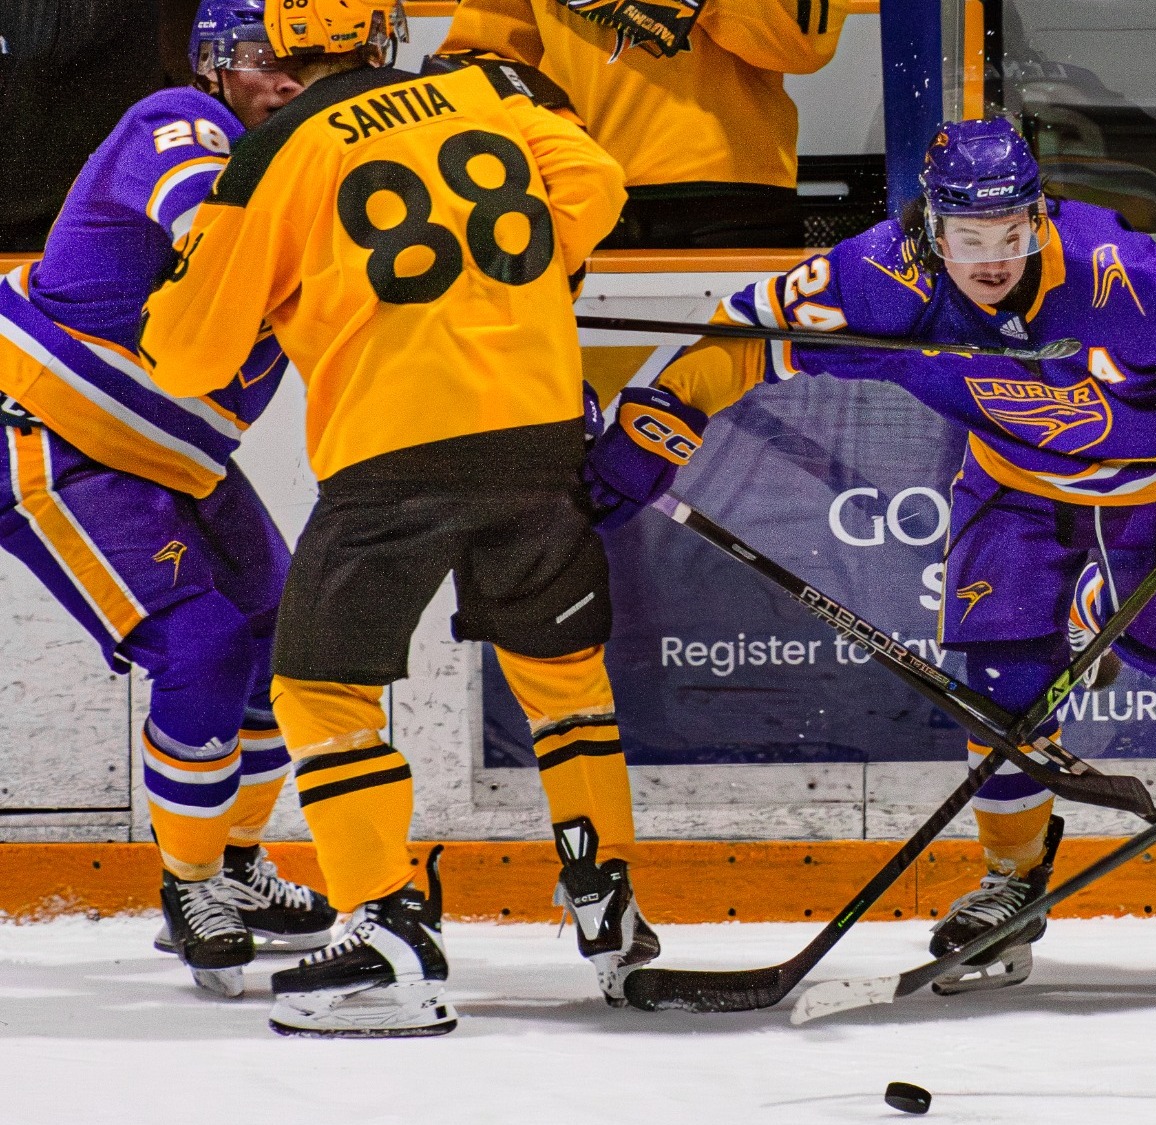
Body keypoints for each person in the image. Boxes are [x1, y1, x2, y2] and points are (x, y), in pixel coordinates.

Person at [587, 118, 1156, 994]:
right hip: (1012, 482)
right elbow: (746, 333)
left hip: (1153, 485)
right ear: (932, 227)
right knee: (996, 682)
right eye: (970, 238)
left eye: (1011, 233)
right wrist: (663, 417)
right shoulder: (878, 275)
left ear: (1036, 216)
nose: (994, 258)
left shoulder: (1117, 274)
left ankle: (1092, 621)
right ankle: (1012, 882)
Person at [141, 0, 656, 1036]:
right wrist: (520, 279)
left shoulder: (275, 153)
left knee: (319, 691)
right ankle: (608, 903)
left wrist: (254, 298)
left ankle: (380, 936)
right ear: (380, 32)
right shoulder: (491, 90)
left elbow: (190, 355)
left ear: (281, 49)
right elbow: (597, 183)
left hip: (396, 454)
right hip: (537, 430)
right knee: (562, 681)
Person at [0, 0, 339, 998]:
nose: (287, 80)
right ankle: (187, 885)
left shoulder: (315, 181)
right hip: (52, 442)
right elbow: (213, 225)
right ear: (215, 66)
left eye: (306, 62)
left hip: (178, 465)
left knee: (287, 640)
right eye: (267, 60)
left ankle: (233, 863)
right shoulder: (179, 124)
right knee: (203, 648)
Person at [434, 0, 848, 247]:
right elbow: (480, 57)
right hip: (580, 201)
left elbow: (806, 40)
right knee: (587, 391)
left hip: (733, 198)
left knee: (736, 388)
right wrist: (560, 134)